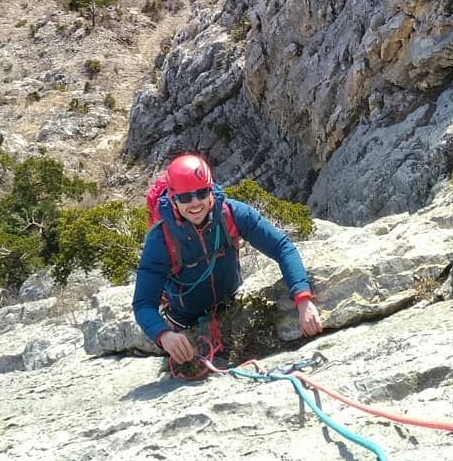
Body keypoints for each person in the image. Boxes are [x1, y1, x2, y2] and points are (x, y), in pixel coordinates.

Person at [133, 153, 323, 367]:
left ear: (211, 190)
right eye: (185, 197)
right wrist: (165, 335)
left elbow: (282, 247)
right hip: (185, 321)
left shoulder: (230, 213)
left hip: (232, 303)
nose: (195, 203)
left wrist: (303, 300)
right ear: (173, 198)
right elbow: (143, 303)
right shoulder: (161, 239)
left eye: (202, 193)